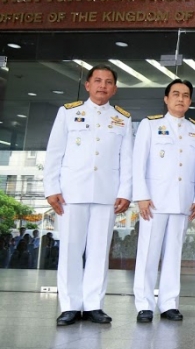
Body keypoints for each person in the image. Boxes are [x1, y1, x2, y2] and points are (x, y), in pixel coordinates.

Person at [43, 64, 133, 326]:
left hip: (107, 193)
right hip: (72, 192)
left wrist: (125, 192)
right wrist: (52, 189)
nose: (102, 86)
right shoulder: (69, 113)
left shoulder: (122, 118)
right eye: (97, 81)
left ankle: (94, 304)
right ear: (88, 85)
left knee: (98, 250)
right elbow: (54, 152)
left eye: (108, 82)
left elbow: (126, 159)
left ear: (114, 89)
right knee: (71, 249)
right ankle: (70, 305)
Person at [132, 79, 195, 323]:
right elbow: (138, 162)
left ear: (190, 101)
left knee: (174, 254)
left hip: (182, 201)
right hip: (154, 202)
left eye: (185, 95)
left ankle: (169, 303)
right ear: (166, 98)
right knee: (148, 253)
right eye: (175, 94)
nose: (180, 99)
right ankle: (144, 304)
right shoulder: (150, 125)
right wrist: (141, 196)